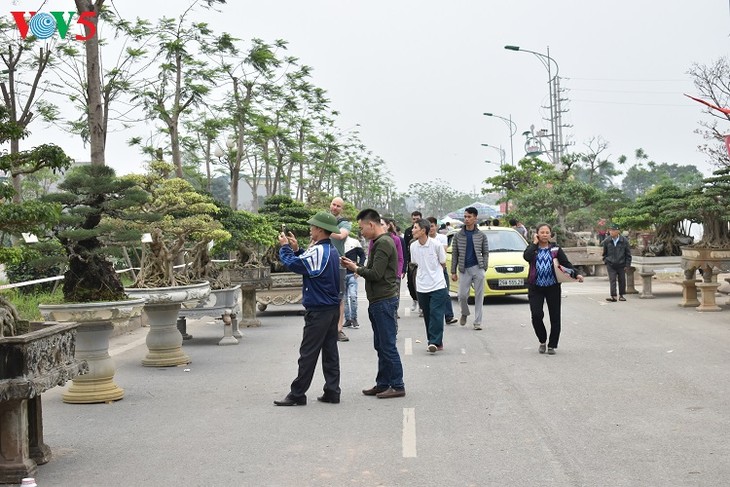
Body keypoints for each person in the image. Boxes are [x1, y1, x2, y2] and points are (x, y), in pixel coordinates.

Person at [273, 211, 342, 406]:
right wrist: (297, 250)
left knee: (308, 353)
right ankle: (332, 391)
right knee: (330, 352)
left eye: (312, 227)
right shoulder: (330, 250)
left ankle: (297, 394)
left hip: (319, 310)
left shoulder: (319, 250)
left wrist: (286, 248)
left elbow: (295, 265)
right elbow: (308, 263)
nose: (310, 229)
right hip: (330, 308)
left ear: (320, 229)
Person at [340, 208, 405, 399]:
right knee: (381, 344)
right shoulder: (378, 242)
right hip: (378, 299)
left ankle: (397, 384)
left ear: (371, 224)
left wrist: (355, 268)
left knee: (387, 345)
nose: (361, 232)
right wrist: (357, 267)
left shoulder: (384, 243)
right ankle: (383, 383)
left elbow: (375, 274)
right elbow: (372, 268)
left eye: (362, 228)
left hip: (384, 299)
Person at [523, 223, 584, 355]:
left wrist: (576, 273)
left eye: (547, 232)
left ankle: (552, 344)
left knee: (555, 316)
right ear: (537, 234)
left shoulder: (555, 249)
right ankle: (542, 340)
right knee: (536, 315)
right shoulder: (532, 249)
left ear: (551, 234)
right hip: (536, 287)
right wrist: (534, 243)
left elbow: (566, 264)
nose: (544, 235)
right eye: (542, 232)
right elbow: (526, 257)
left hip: (553, 287)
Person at [410, 219, 448, 353]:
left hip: (437, 284)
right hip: (421, 285)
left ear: (423, 230)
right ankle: (435, 341)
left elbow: (443, 263)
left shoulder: (436, 245)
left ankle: (434, 342)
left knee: (436, 313)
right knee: (427, 314)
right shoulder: (413, 246)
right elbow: (415, 262)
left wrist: (435, 275)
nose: (412, 230)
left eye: (415, 228)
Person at [450, 207, 489, 330]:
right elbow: (455, 254)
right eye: (465, 216)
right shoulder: (458, 235)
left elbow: (486, 252)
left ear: (475, 218)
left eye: (469, 217)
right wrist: (453, 271)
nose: (466, 219)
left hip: (478, 267)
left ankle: (477, 322)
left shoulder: (481, 235)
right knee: (461, 295)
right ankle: (465, 313)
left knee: (479, 296)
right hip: (464, 269)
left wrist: (484, 266)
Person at [328, 197, 352, 342]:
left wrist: (323, 230)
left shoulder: (344, 223)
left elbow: (341, 235)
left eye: (338, 206)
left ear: (341, 209)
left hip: (338, 264)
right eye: (333, 204)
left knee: (339, 297)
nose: (335, 207)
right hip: (322, 263)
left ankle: (338, 329)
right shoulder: (323, 219)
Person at [427, 216, 458, 325]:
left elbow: (443, 253)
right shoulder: (423, 239)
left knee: (445, 292)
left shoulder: (442, 238)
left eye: (432, 226)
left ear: (436, 226)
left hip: (441, 268)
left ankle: (449, 316)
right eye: (428, 226)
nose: (431, 229)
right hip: (428, 271)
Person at [602, 223, 632, 302]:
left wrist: (627, 265)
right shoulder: (607, 241)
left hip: (621, 264)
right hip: (611, 264)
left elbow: (628, 254)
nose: (611, 232)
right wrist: (606, 261)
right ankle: (613, 296)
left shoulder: (624, 241)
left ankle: (621, 295)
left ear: (618, 231)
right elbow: (604, 253)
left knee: (622, 280)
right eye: (610, 230)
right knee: (612, 280)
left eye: (613, 230)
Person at [343, 235, 366, 329]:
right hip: (341, 274)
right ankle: (347, 319)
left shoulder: (354, 242)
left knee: (353, 296)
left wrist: (359, 268)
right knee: (344, 299)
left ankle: (354, 318)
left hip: (352, 274)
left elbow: (362, 255)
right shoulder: (335, 242)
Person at [403, 210, 422, 314]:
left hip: (422, 262)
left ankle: (421, 304)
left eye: (417, 219)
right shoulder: (408, 231)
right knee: (410, 283)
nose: (415, 221)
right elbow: (405, 248)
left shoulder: (424, 230)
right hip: (411, 262)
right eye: (414, 219)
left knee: (419, 283)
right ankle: (415, 299)